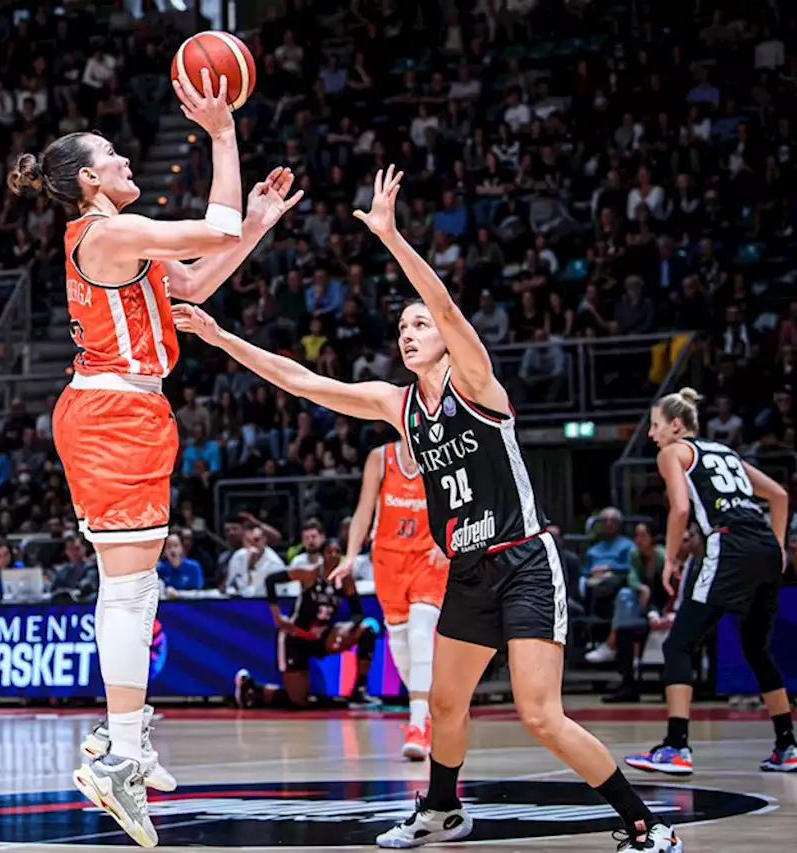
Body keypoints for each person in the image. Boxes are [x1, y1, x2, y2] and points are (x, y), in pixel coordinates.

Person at [172, 166, 679, 853]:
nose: (410, 333)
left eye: (419, 326)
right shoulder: (398, 405)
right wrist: (221, 337)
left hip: (524, 562)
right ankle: (442, 809)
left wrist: (390, 236)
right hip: (467, 571)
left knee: (539, 713)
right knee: (443, 704)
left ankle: (643, 820)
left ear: (440, 336)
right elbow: (305, 381)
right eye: (402, 327)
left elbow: (444, 304)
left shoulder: (477, 381)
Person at [7, 63, 300, 849]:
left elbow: (199, 279)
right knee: (130, 591)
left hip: (128, 409)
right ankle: (121, 752)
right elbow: (214, 226)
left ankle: (121, 739)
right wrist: (225, 135)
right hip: (110, 413)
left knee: (138, 587)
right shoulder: (107, 232)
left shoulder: (118, 239)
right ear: (88, 180)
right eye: (113, 155)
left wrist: (261, 220)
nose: (128, 161)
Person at [624, 388, 795, 775]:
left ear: (676, 426)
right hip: (765, 548)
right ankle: (787, 745)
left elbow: (681, 508)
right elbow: (780, 495)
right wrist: (780, 545)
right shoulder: (727, 453)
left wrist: (670, 559)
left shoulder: (672, 453)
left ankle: (676, 747)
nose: (651, 434)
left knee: (678, 644)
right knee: (756, 649)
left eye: (655, 425)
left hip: (730, 544)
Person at [350, 439, 448, 760]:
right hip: (388, 560)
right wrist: (350, 555)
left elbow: (459, 503)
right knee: (400, 646)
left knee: (421, 635)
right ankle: (426, 709)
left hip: (428, 557)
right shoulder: (380, 457)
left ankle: (419, 724)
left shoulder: (443, 453)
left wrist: (448, 541)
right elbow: (364, 509)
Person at [234, 541, 378, 710]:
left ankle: (359, 691)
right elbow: (271, 580)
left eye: (338, 552)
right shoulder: (309, 574)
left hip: (322, 636)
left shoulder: (345, 580)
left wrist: (350, 626)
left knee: (367, 628)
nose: (334, 556)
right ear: (322, 555)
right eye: (329, 552)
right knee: (300, 701)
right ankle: (253, 689)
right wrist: (277, 616)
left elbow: (358, 613)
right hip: (297, 637)